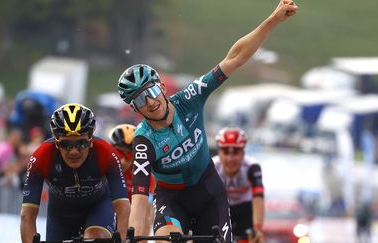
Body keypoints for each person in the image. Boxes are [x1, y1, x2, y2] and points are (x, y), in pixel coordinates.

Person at [117, 1, 298, 242]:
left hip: (208, 193)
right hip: (171, 200)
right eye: (139, 100)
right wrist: (133, 237)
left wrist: (273, 20)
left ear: (161, 87)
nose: (150, 103)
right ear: (133, 108)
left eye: (150, 93)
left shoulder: (190, 98)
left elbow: (234, 58)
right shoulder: (144, 140)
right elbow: (139, 200)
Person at [20, 103, 130, 243]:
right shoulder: (41, 156)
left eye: (81, 143)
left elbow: (122, 206)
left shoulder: (106, 153)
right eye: (66, 144)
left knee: (94, 237)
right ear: (56, 142)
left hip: (98, 207)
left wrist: (121, 239)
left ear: (90, 140)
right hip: (60, 214)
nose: (73, 151)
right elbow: (27, 216)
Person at [213, 127, 264, 243]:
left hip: (245, 209)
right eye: (225, 152)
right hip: (220, 208)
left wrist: (258, 228)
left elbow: (258, 198)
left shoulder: (252, 167)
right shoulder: (212, 166)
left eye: (235, 152)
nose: (230, 159)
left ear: (243, 153)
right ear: (219, 153)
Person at [108, 124, 156, 229]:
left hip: (131, 218)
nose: (123, 160)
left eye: (129, 155)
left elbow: (146, 214)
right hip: (108, 216)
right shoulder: (104, 168)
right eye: (119, 153)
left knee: (147, 212)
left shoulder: (145, 175)